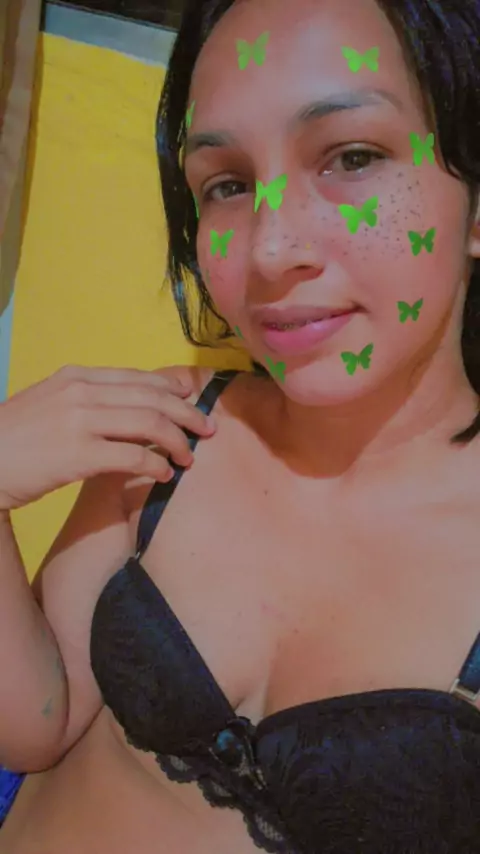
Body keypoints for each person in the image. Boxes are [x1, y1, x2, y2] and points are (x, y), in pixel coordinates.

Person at [0, 0, 480, 850]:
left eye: (352, 157)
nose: (268, 249)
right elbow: (37, 726)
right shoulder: (171, 429)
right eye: (226, 184)